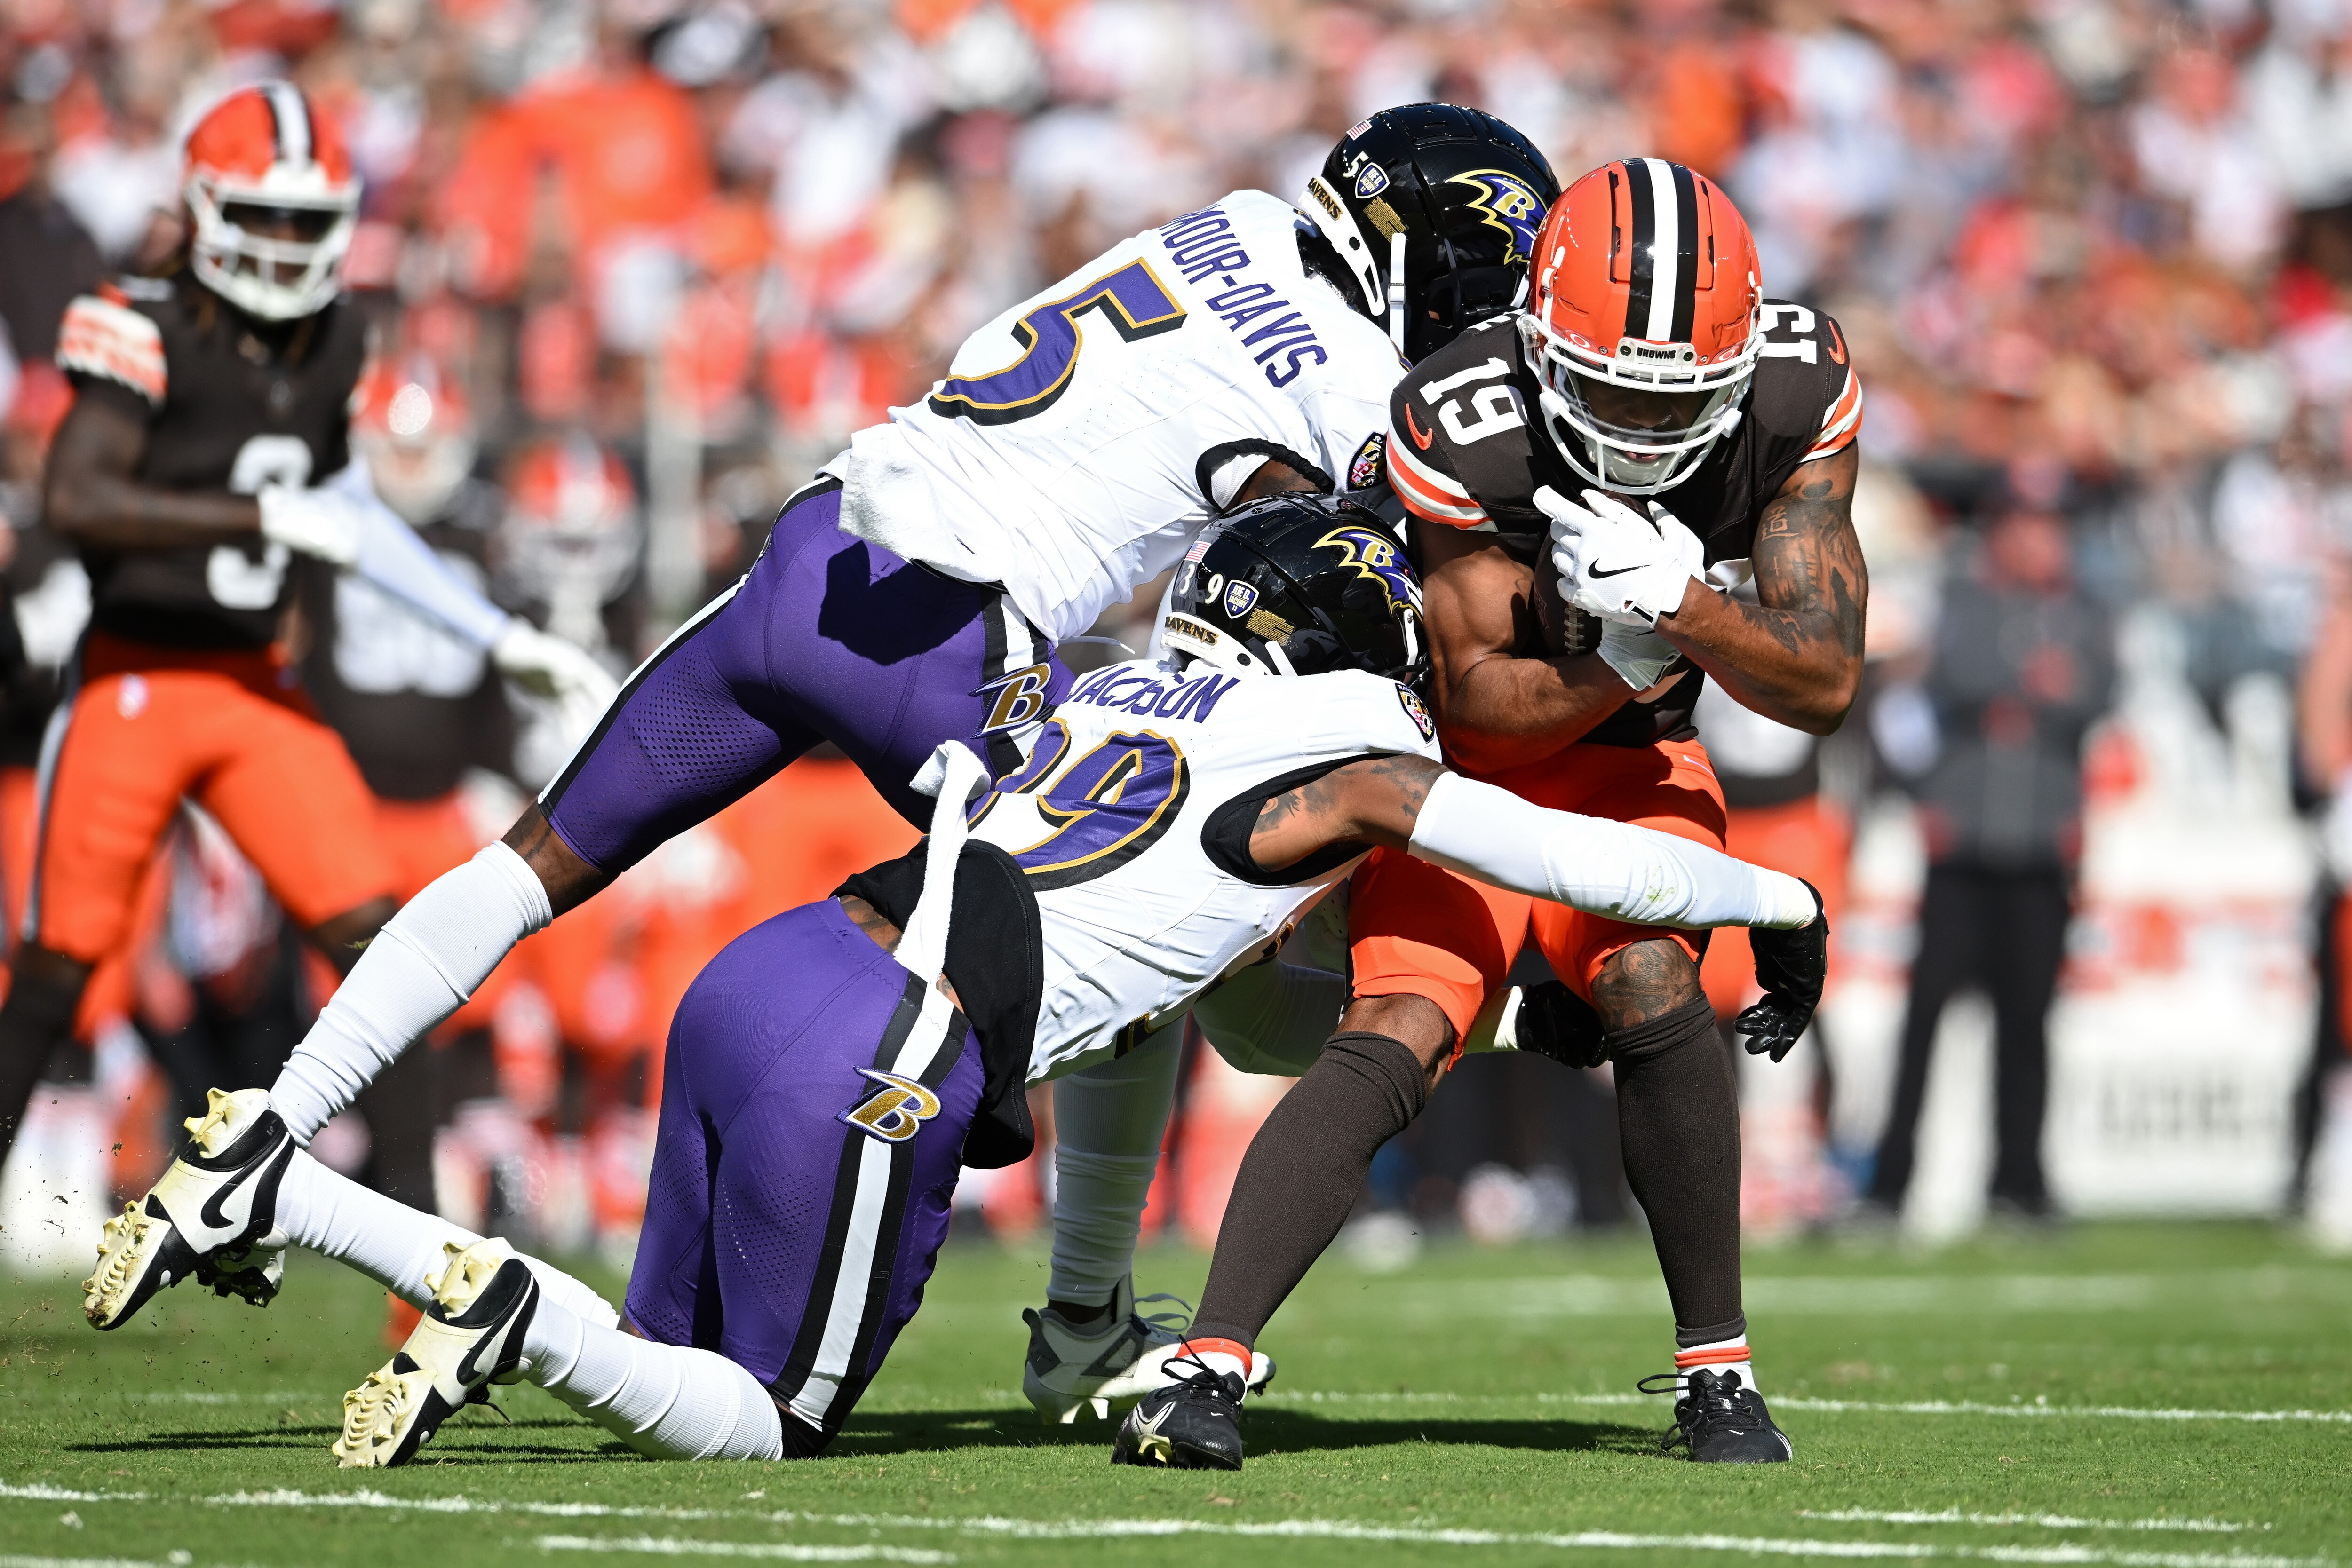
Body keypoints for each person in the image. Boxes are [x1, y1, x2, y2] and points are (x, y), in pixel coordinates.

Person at [82, 105, 1562, 1389]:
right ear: (1434, 263)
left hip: (818, 551)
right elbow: (1355, 548)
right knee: (1156, 909)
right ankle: (1082, 1302)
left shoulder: (1228, 224)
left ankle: (262, 1128)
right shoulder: (1355, 378)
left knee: (533, 859)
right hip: (950, 636)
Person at [111, 496, 1824, 1468]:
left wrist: (1498, 1037)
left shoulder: (1088, 692)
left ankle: (431, 1303)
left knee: (654, 1362)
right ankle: (390, 1246)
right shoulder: (1356, 753)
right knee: (750, 1424)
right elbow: (1593, 866)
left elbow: (1226, 1005)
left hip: (769, 967)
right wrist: (1780, 894)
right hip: (887, 1046)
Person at [1136, 158, 1869, 1466]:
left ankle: (1719, 1373)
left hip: (1635, 760)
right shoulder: (1466, 417)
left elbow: (1822, 681)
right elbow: (1474, 705)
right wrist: (1628, 657)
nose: (1641, 429)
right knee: (1401, 1023)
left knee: (1650, 975)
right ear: (1537, 343)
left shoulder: (1799, 391)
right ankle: (1207, 1362)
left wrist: (1688, 612)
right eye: (1607, 389)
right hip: (1468, 768)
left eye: (1675, 399)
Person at [0, 83, 611, 1185]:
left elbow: (354, 518)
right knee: (52, 975)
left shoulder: (334, 343)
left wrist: (489, 633)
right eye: (263, 216)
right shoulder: (133, 322)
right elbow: (81, 495)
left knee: (392, 957)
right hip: (135, 677)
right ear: (204, 207)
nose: (284, 245)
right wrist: (257, 515)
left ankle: (426, 1268)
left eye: (304, 220)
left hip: (255, 688)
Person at [1861, 502, 2111, 1223]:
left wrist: (2026, 691)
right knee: (1924, 1020)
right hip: (1962, 844)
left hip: (2039, 848)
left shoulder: (2086, 611)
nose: (2042, 543)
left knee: (2027, 1025)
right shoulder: (1962, 602)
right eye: (2028, 527)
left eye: (2052, 527)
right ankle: (1889, 1182)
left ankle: (2020, 1181)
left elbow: (2097, 692)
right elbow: (1946, 683)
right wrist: (2032, 682)